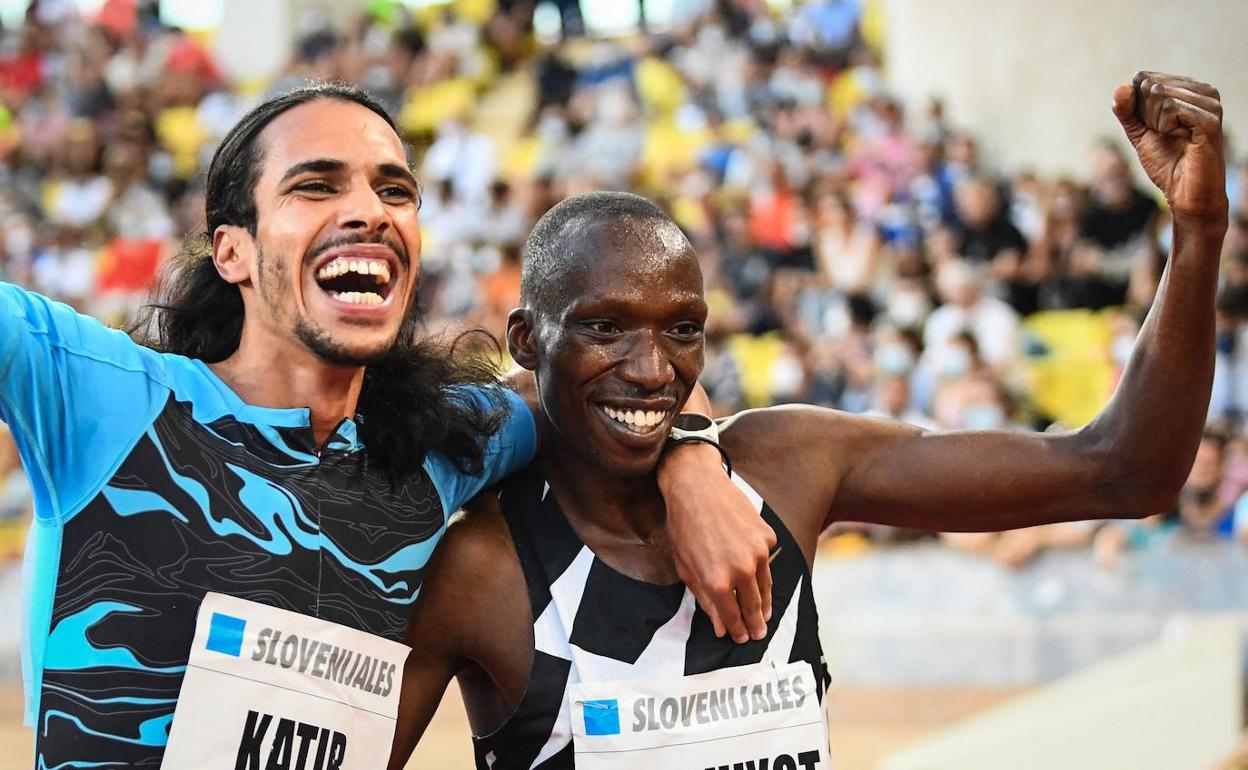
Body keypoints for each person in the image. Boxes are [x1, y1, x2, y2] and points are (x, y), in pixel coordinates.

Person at [388, 71, 1227, 769]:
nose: (653, 369)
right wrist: (691, 454)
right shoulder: (480, 571)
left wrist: (1195, 234)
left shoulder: (788, 465)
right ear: (528, 341)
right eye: (605, 327)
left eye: (682, 329)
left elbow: (1126, 468)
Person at [2, 84, 767, 768]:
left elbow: (619, 384)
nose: (369, 210)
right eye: (315, 185)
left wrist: (693, 459)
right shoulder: (100, 396)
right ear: (232, 250)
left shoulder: (438, 444)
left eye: (395, 191)